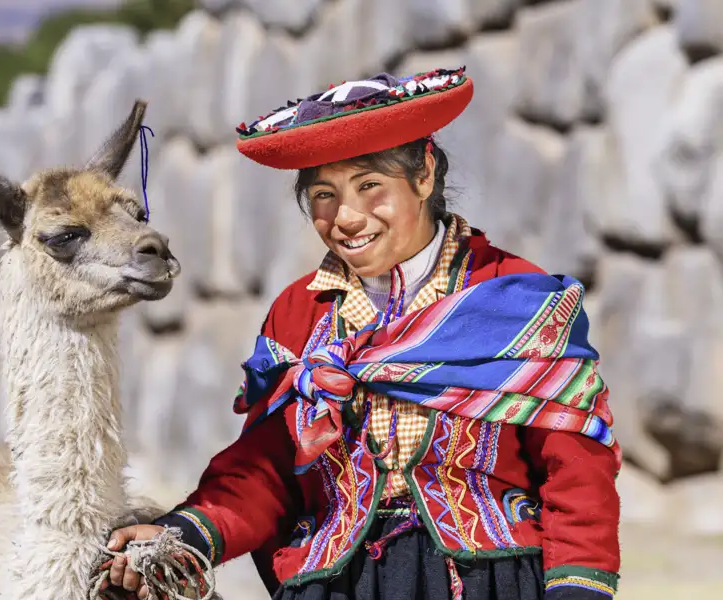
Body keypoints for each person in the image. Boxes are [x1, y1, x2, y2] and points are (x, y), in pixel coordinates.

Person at [104, 68, 621, 600]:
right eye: (324, 195)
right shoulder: (300, 312)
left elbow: (576, 470)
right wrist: (187, 533)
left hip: (489, 582)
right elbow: (268, 466)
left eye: (370, 185)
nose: (346, 217)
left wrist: (578, 587)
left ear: (423, 175)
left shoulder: (517, 299)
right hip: (337, 584)